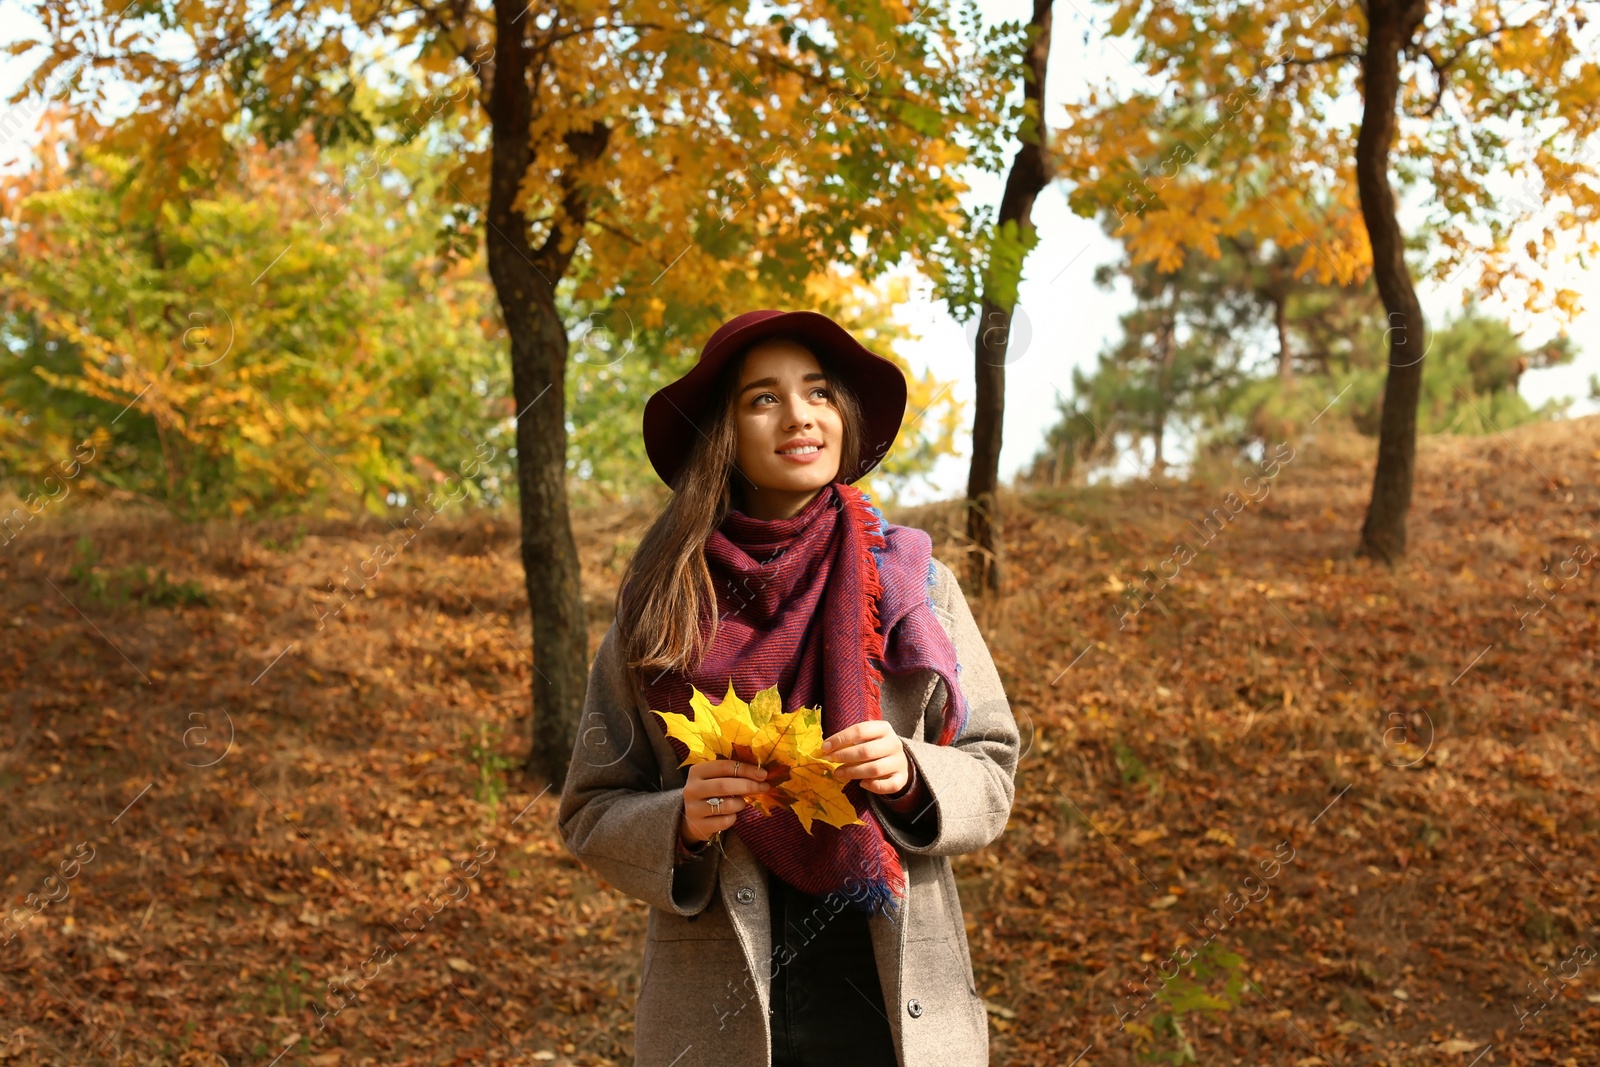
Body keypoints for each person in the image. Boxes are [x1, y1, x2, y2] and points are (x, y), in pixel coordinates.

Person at [557, 309, 1019, 1067]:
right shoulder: (662, 603)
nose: (800, 416)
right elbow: (591, 805)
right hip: (719, 1004)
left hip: (893, 986)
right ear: (724, 431)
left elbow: (992, 765)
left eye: (818, 392)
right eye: (763, 398)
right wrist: (681, 821)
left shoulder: (916, 582)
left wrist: (912, 772)